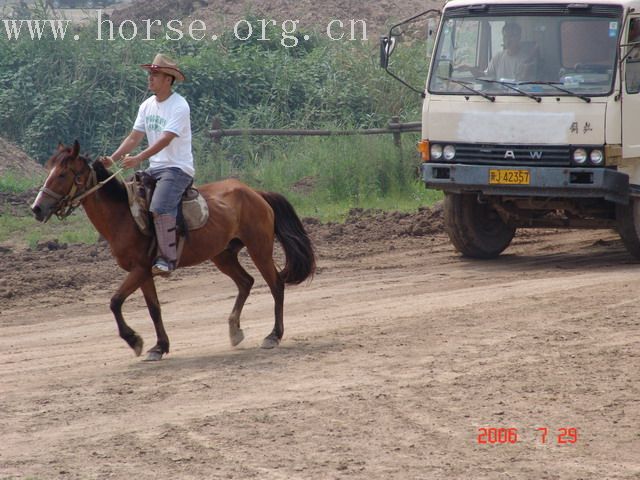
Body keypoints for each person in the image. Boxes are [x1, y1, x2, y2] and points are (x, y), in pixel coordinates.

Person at [103, 53, 194, 277]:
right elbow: (134, 137)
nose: (150, 78)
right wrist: (112, 159)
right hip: (155, 168)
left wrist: (138, 159)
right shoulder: (146, 105)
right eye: (150, 74)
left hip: (177, 168)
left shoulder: (179, 106)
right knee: (129, 201)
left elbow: (165, 139)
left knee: (160, 207)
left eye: (155, 74)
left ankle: (167, 259)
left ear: (168, 79)